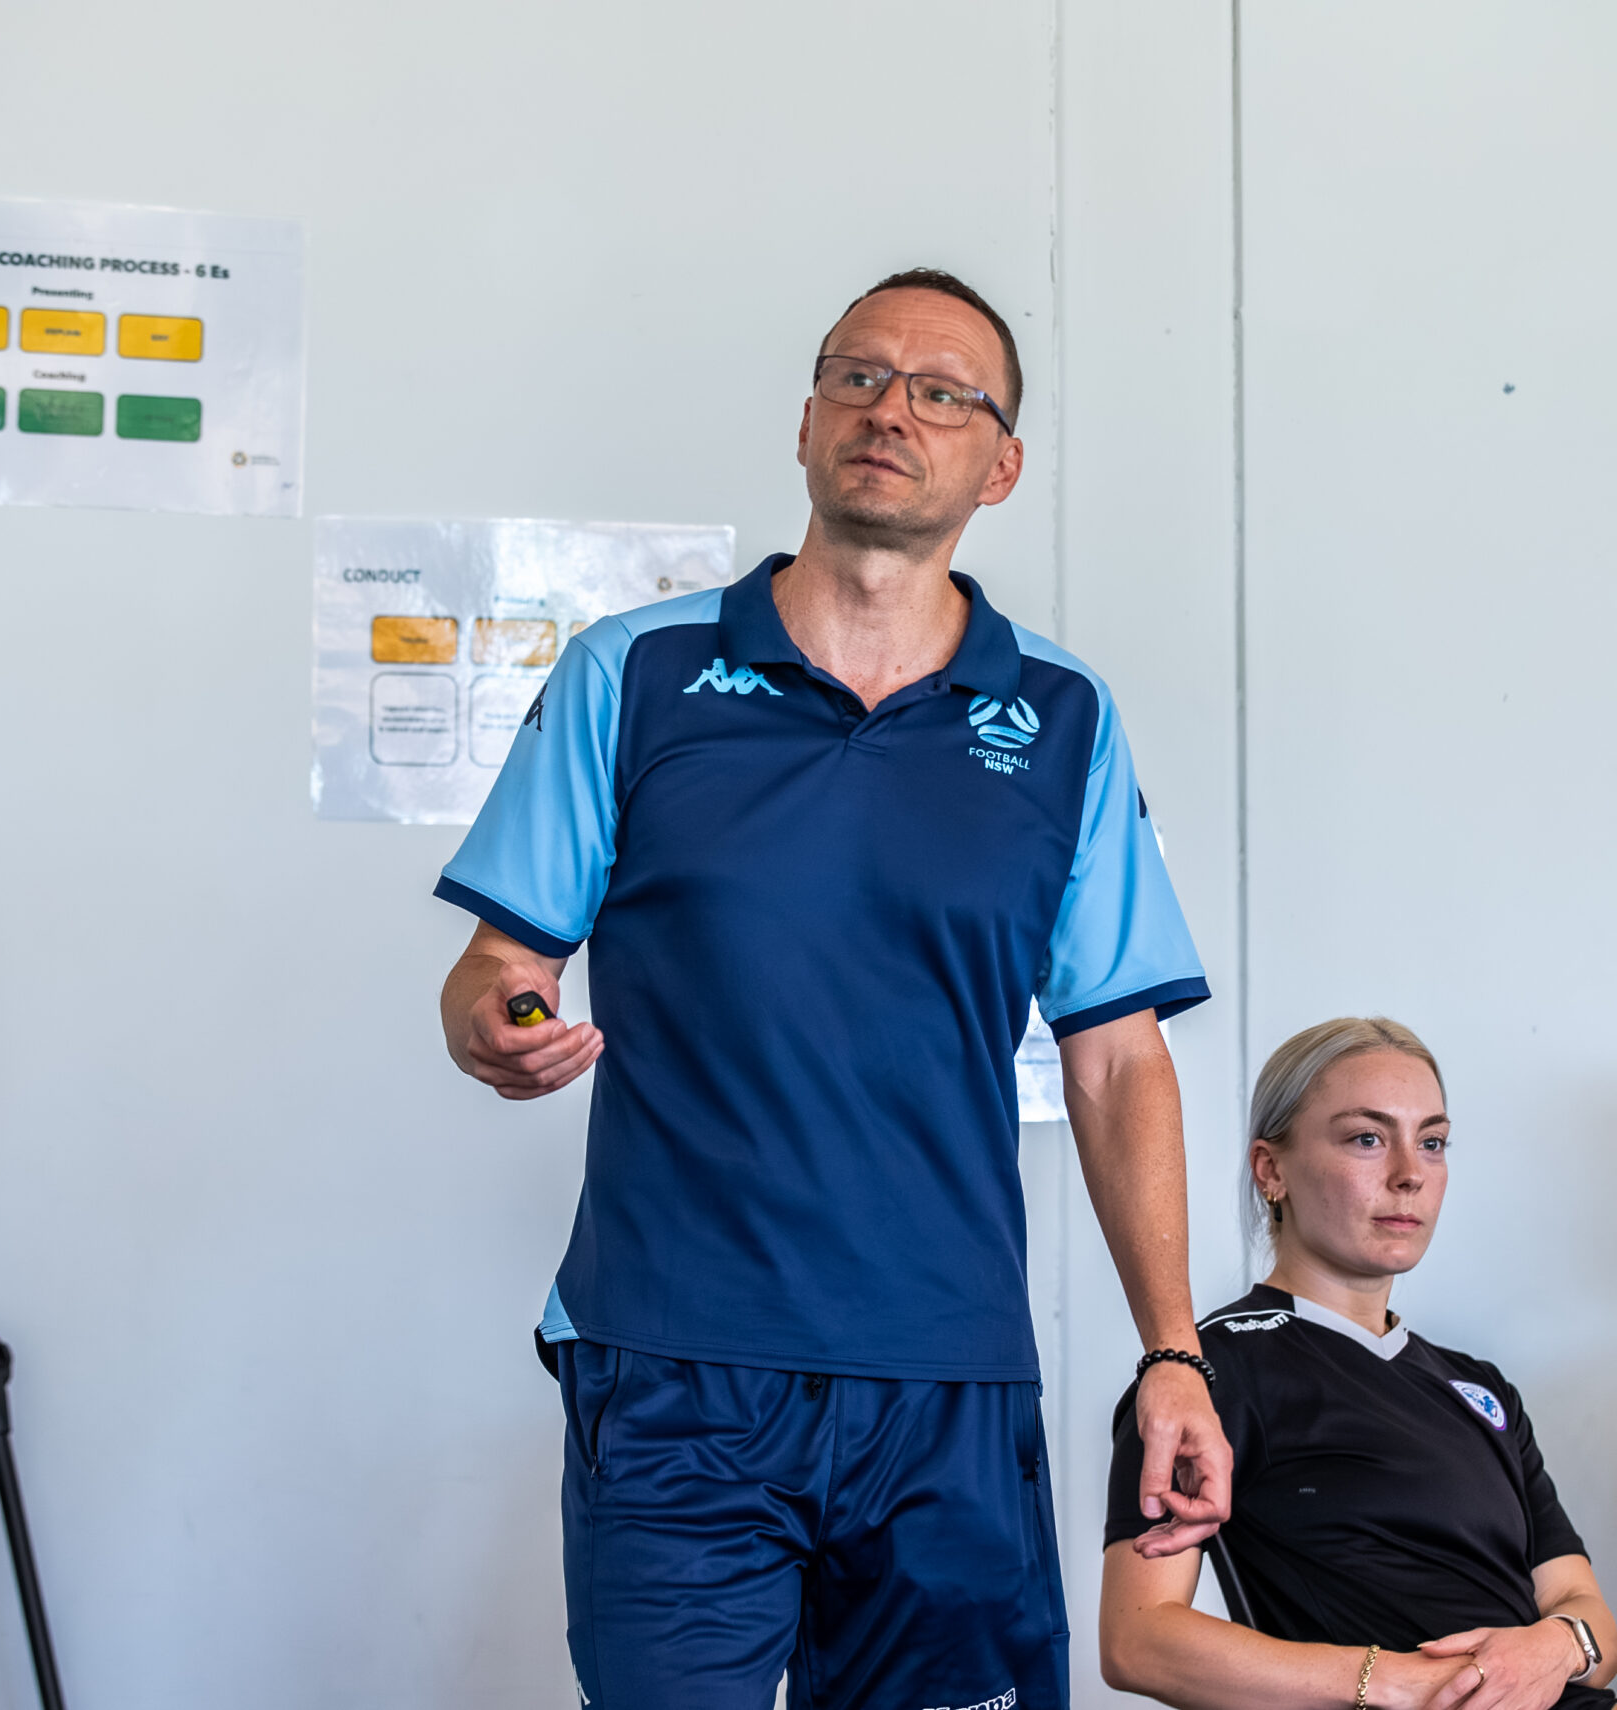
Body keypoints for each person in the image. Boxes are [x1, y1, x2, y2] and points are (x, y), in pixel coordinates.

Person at [432, 267, 1228, 1710]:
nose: (891, 411)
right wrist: (504, 1018)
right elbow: (501, 965)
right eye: (858, 376)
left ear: (1002, 464)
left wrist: (1172, 1352)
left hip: (949, 1385)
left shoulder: (1061, 719)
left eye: (942, 392)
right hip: (674, 1373)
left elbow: (1117, 1056)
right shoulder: (638, 674)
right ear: (806, 419)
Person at [1099, 1018, 1617, 1710]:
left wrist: (1557, 1645)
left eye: (1431, 1141)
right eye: (1367, 1139)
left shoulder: (1478, 1388)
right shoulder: (1203, 1372)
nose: (1409, 1173)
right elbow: (1140, 1640)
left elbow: (1586, 1615)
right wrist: (1394, 1681)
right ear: (1272, 1170)